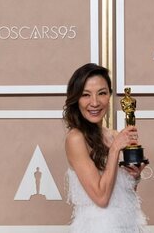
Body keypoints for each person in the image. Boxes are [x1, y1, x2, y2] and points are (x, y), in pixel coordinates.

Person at [63, 63, 148, 233]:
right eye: (86, 95)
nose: (94, 102)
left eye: (101, 93)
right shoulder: (76, 138)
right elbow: (101, 198)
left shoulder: (115, 135)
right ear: (76, 99)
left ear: (109, 95)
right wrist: (115, 149)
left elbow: (122, 194)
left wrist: (135, 176)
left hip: (127, 224)